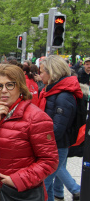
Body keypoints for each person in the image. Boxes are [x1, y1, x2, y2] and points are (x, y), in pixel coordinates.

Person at [0, 64, 59, 201]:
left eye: (10, 85)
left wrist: (18, 180)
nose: (4, 90)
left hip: (20, 193)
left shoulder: (36, 118)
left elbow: (50, 160)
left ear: (20, 87)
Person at [38, 55, 83, 201]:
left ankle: (76, 190)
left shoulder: (63, 96)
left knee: (42, 186)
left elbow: (56, 130)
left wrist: (35, 136)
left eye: (42, 71)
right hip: (53, 146)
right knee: (47, 186)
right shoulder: (53, 92)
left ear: (52, 72)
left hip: (55, 147)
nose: (40, 75)